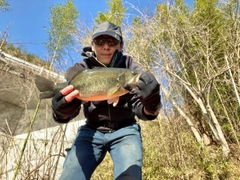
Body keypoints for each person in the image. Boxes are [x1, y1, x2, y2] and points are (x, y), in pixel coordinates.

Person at [52, 21, 161, 180]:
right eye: (100, 41)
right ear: (92, 45)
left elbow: (142, 108)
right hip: (91, 130)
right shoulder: (83, 67)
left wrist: (152, 105)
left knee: (130, 176)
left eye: (111, 41)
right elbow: (70, 108)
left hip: (126, 130)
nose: (106, 46)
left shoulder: (130, 67)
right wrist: (61, 113)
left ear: (121, 45)